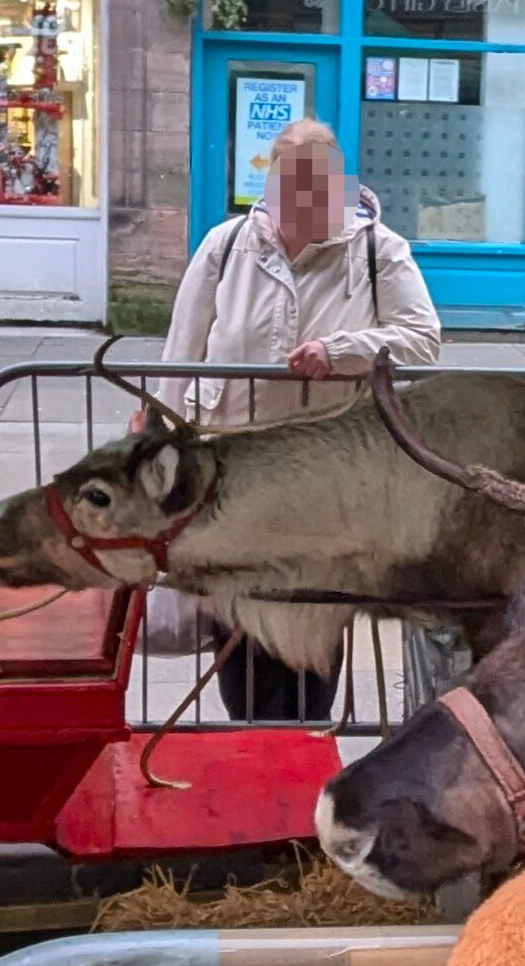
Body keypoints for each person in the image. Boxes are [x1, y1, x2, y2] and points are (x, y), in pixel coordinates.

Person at [141, 117, 441, 723]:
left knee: (311, 620)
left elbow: (422, 340)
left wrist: (343, 350)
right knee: (240, 620)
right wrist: (156, 432)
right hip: (231, 473)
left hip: (326, 483)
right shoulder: (226, 246)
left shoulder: (379, 252)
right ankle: (252, 743)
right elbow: (182, 349)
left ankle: (301, 744)